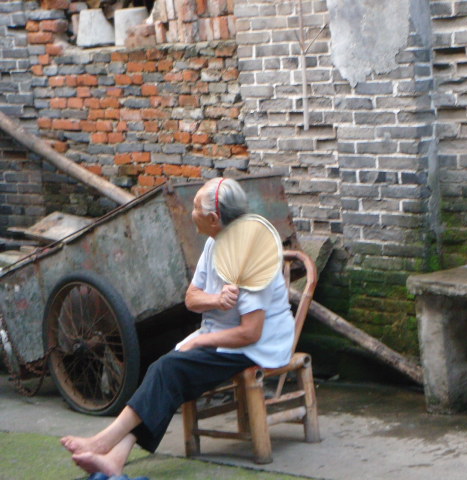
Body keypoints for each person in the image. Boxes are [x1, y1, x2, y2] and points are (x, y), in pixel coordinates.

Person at [60, 177, 295, 476]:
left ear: (214, 218)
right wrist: (216, 299)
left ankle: (102, 442)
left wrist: (199, 342)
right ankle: (115, 457)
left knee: (167, 370)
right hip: (220, 335)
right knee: (166, 373)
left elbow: (251, 332)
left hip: (257, 346)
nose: (190, 213)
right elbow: (192, 299)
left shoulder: (251, 255)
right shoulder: (214, 242)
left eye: (195, 208)